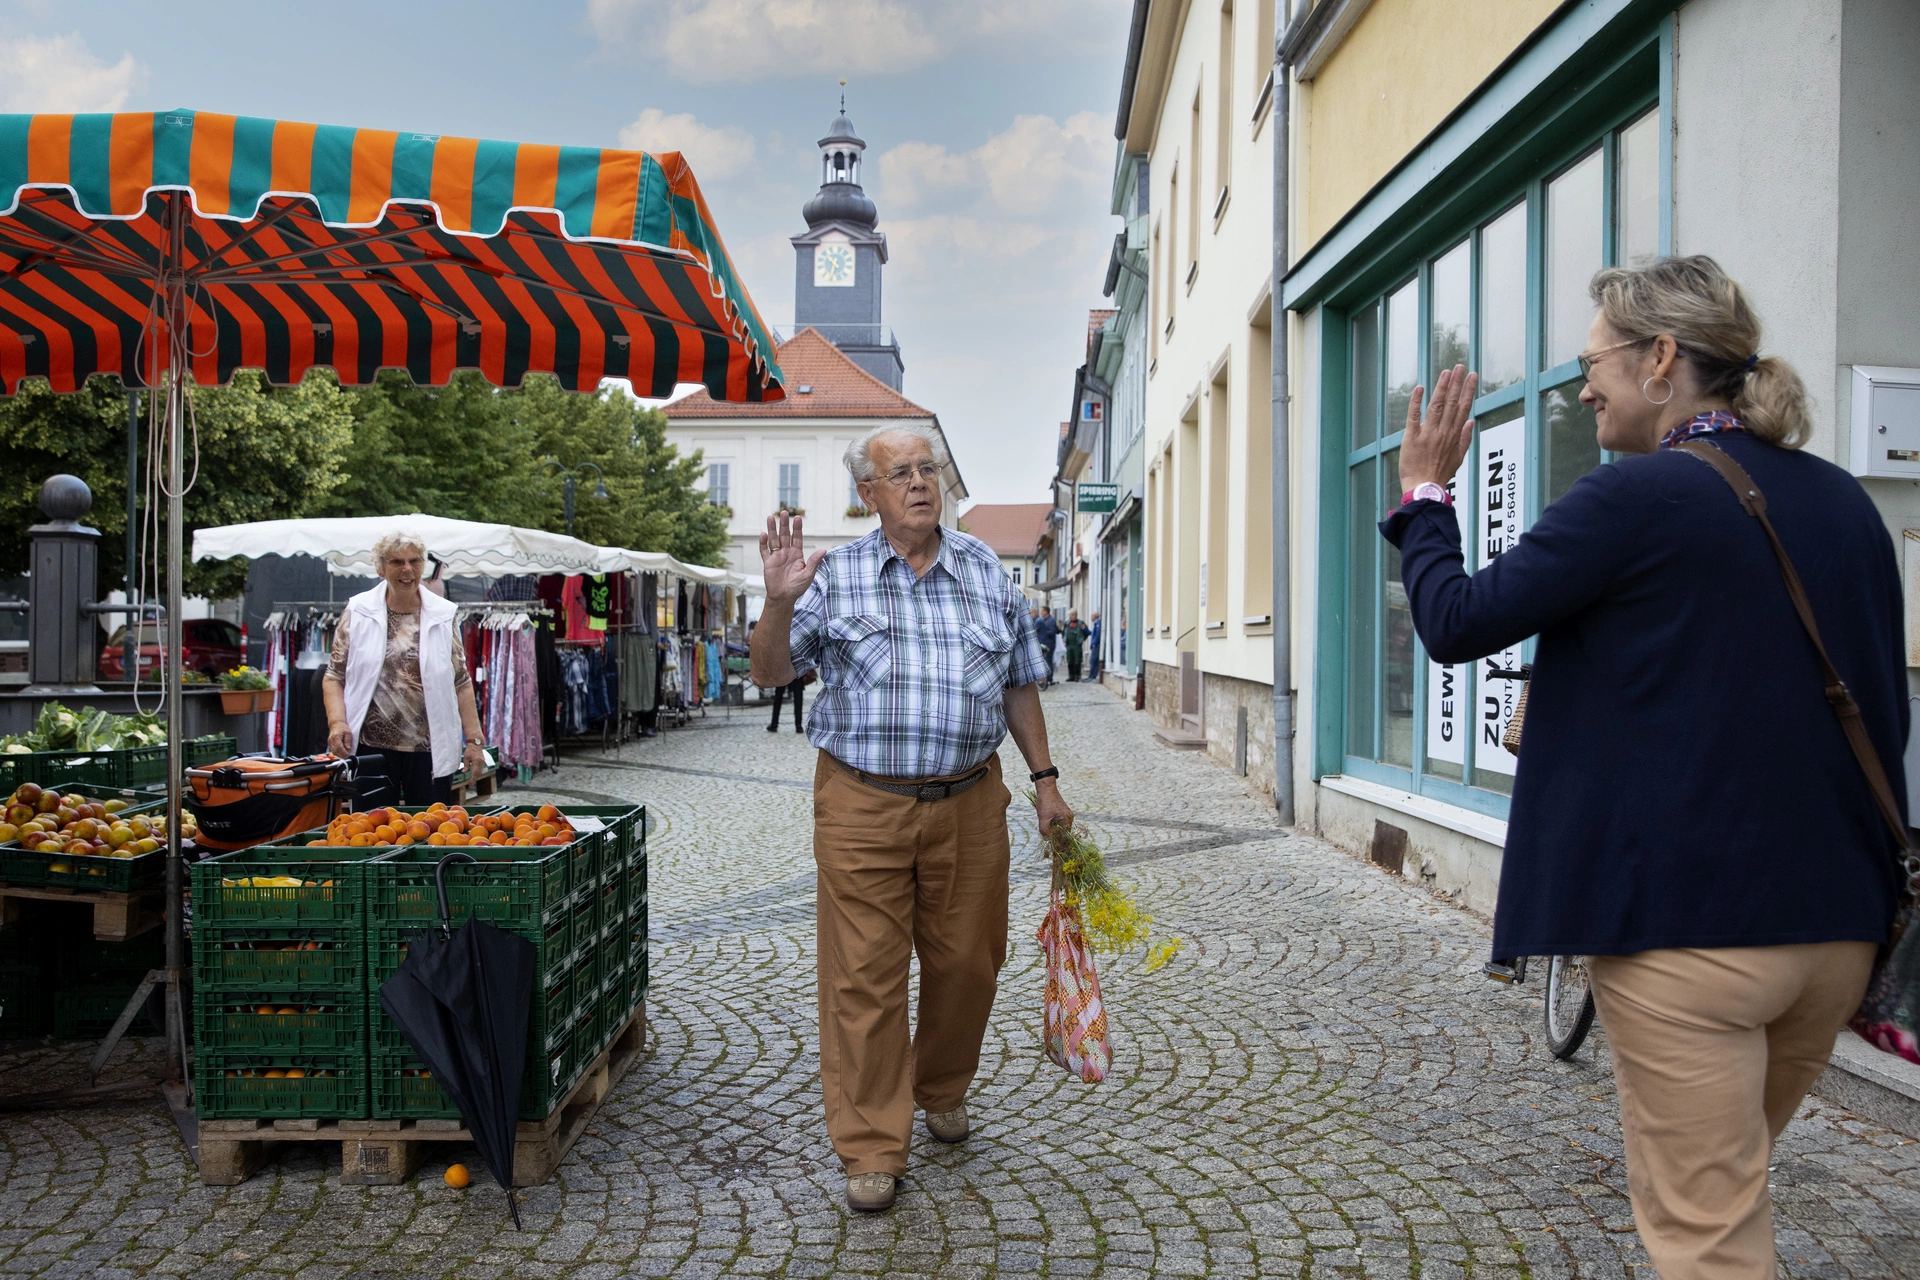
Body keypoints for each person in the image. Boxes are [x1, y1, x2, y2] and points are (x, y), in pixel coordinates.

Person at [1383, 255, 1903, 1280]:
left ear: (1662, 359)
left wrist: (1426, 492)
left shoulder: (1634, 498)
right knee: (1728, 1185)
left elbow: (1455, 621)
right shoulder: (1849, 506)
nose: (1582, 389)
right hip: (1839, 931)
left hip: (1689, 941)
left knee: (1707, 1237)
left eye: (1596, 363)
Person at [751, 421, 1072, 1215]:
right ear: (870, 494)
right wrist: (778, 603)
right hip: (863, 803)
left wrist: (1046, 781)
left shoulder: (986, 570)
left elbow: (1021, 682)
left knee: (970, 962)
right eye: (902, 473)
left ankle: (941, 1085)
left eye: (929, 469)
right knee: (865, 977)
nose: (921, 483)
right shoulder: (837, 575)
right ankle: (870, 1144)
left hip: (969, 800)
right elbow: (770, 672)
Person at [323, 532, 487, 805]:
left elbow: (461, 681)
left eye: (414, 561)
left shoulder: (443, 614)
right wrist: (337, 722)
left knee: (431, 832)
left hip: (429, 749)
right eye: (397, 561)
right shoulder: (359, 610)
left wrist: (474, 741)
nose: (407, 569)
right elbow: (333, 676)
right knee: (370, 832)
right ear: (380, 567)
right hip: (370, 747)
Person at [1033, 606, 1059, 689]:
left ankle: (1049, 679)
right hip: (1045, 642)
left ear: (1046, 611)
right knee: (1046, 660)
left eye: (1042, 611)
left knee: (1048, 660)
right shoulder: (1042, 620)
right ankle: (1046, 679)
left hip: (1049, 642)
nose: (1041, 612)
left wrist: (1043, 632)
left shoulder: (1051, 620)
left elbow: (1052, 631)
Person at [1062, 611, 1089, 684]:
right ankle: (1071, 676)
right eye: (1072, 614)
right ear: (1070, 615)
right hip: (1069, 645)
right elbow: (1063, 632)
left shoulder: (1080, 623)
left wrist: (1082, 639)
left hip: (1077, 645)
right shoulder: (1067, 623)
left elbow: (1086, 632)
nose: (1074, 616)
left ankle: (1077, 676)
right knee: (1070, 660)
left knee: (1077, 661)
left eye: (1075, 614)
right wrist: (1064, 640)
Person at [1086, 612, 1103, 683]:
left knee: (1093, 661)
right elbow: (1092, 633)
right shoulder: (1095, 624)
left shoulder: (1098, 623)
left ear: (1095, 617)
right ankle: (1091, 676)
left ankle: (1092, 676)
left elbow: (1098, 635)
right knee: (1094, 661)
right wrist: (1085, 630)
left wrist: (1094, 643)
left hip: (1096, 646)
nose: (1090, 618)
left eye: (1091, 616)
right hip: (1095, 645)